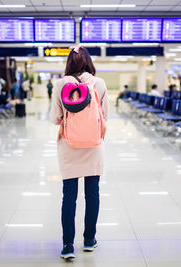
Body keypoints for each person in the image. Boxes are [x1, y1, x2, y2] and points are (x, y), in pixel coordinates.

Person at [50, 46, 109, 260]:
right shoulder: (99, 83)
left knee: (69, 196)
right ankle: (89, 241)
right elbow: (106, 115)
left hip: (69, 145)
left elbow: (55, 118)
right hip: (93, 145)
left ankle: (67, 245)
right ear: (89, 62)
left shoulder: (60, 84)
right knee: (92, 194)